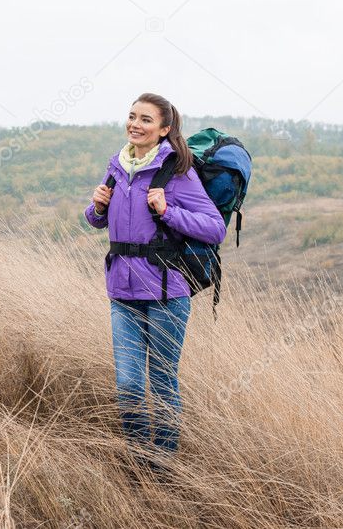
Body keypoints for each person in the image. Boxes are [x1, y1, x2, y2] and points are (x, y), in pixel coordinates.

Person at [84, 93, 226, 474]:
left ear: (164, 130)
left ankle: (162, 467)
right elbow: (99, 220)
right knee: (129, 385)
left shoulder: (177, 173)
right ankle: (137, 464)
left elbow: (215, 228)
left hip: (166, 295)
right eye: (132, 116)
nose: (135, 124)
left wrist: (168, 210)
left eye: (146, 119)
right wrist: (96, 207)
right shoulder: (117, 166)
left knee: (162, 382)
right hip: (122, 294)